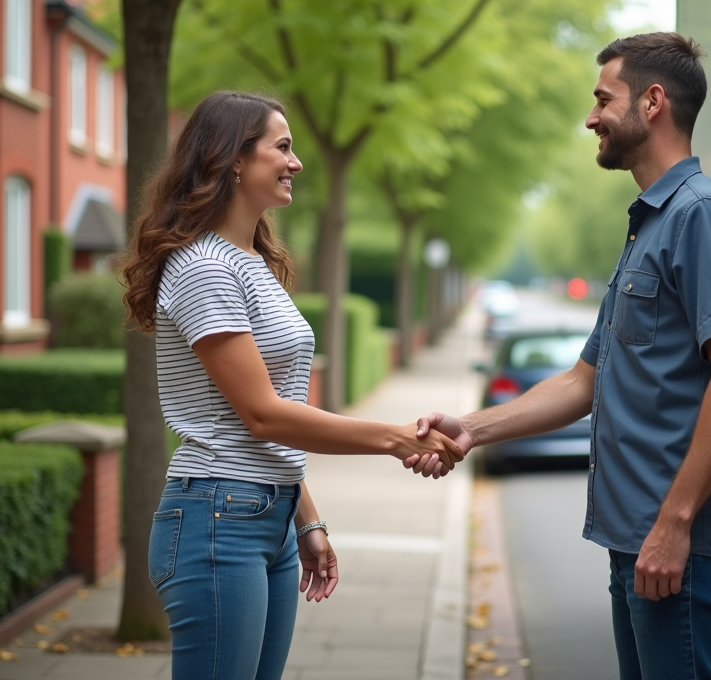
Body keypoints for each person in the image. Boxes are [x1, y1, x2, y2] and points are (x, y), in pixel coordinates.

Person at [409, 33, 711, 680]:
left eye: (604, 98)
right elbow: (584, 381)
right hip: (636, 542)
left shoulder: (704, 217)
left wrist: (674, 523)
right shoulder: (652, 225)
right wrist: (472, 429)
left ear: (653, 102)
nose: (591, 116)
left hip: (679, 549)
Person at [121, 90, 464, 680]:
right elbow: (264, 416)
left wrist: (305, 517)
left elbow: (268, 419)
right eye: (282, 147)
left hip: (266, 517)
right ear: (232, 158)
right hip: (216, 523)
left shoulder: (250, 259)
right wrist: (396, 437)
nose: (296, 162)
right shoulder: (204, 266)